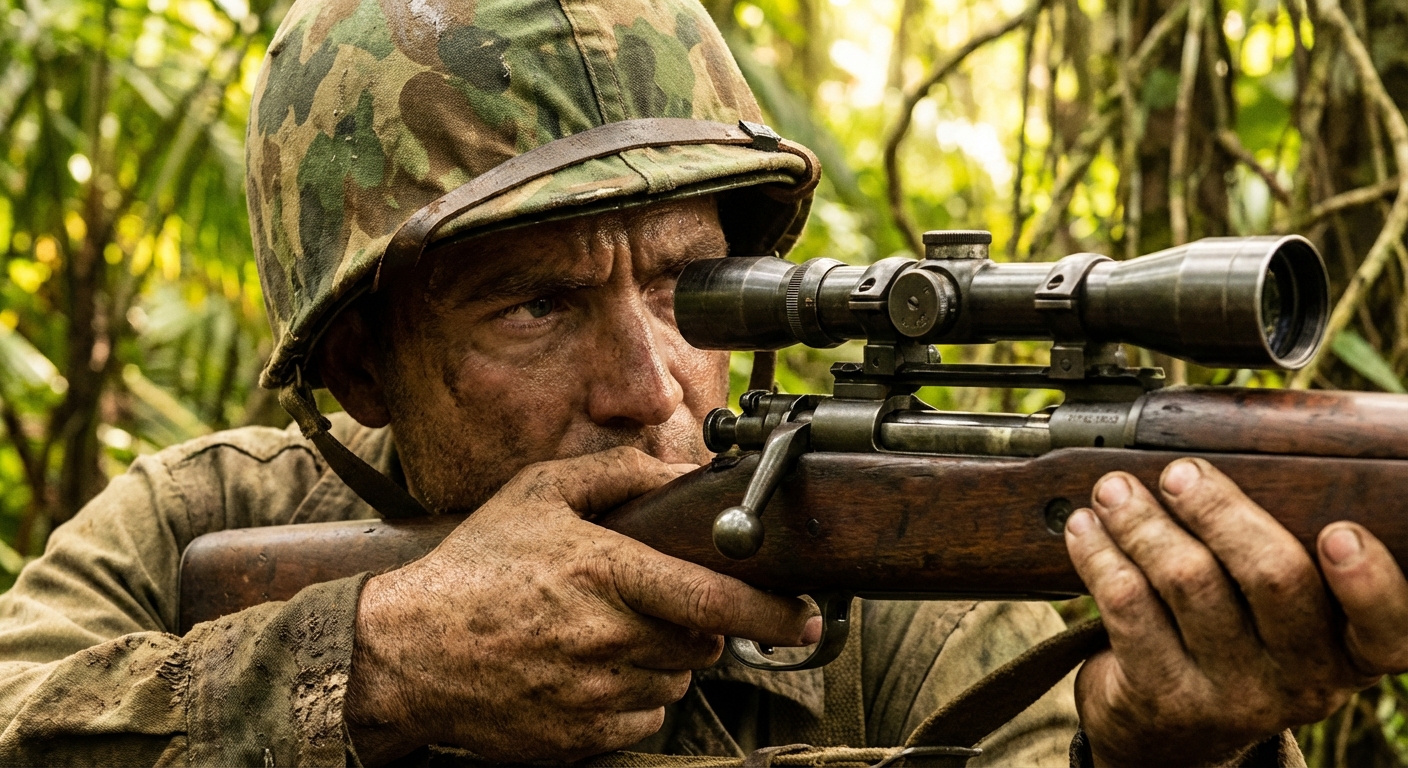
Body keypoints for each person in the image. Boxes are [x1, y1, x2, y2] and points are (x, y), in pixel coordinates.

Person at [0, 0, 1403, 765]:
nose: (651, 384)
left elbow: (1051, 732)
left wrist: (1151, 747)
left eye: (690, 290)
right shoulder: (197, 526)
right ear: (363, 361)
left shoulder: (868, 549)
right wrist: (365, 668)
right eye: (540, 304)